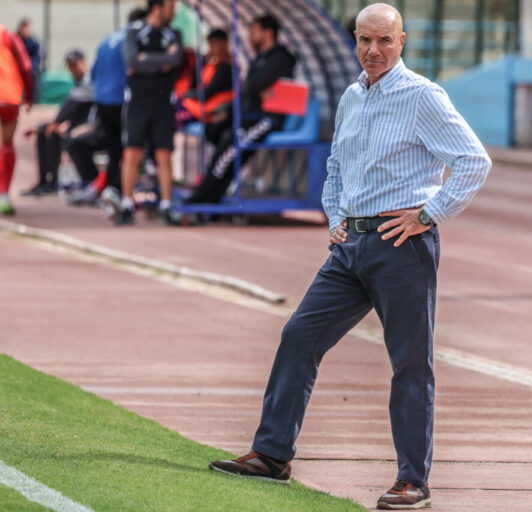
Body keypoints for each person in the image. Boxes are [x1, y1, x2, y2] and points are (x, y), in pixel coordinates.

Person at [208, 4, 491, 511]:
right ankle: (273, 455)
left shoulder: (422, 96)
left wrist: (428, 215)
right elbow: (337, 163)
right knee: (298, 336)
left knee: (409, 362)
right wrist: (334, 216)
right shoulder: (351, 95)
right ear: (355, 40)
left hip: (402, 246)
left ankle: (413, 481)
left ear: (402, 40)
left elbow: (473, 160)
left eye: (384, 40)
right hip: (350, 247)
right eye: (364, 40)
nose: (373, 50)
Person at [172, 15, 294, 217]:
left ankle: (201, 200)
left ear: (267, 33)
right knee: (219, 136)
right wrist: (230, 110)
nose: (249, 36)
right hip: (250, 116)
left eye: (253, 31)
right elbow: (250, 89)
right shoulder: (260, 59)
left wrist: (255, 88)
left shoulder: (280, 58)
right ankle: (210, 202)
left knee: (229, 147)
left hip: (266, 120)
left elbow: (250, 86)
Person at [66, 8, 147, 208]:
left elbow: (93, 75)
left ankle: (112, 191)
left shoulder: (107, 40)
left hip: (103, 101)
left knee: (115, 151)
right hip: (122, 101)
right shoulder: (136, 38)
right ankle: (121, 190)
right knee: (132, 149)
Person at [114, 0, 183, 226]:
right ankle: (126, 203)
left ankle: (165, 205)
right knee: (132, 153)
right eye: (170, 7)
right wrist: (161, 62)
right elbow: (133, 60)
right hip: (137, 102)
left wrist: (148, 62)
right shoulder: (134, 32)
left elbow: (176, 60)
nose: (174, 12)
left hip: (163, 104)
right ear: (157, 8)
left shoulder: (173, 34)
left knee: (164, 154)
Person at [21, 50, 93, 197]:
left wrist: (56, 123)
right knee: (44, 131)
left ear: (83, 63)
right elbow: (69, 109)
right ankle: (44, 182)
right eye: (70, 66)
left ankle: (53, 182)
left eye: (75, 65)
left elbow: (73, 106)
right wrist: (51, 124)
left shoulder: (90, 81)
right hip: (74, 125)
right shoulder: (77, 83)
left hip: (90, 126)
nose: (72, 69)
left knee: (52, 132)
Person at [0, 23, 33, 215]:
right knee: (6, 145)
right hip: (10, 96)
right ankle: (3, 194)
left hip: (9, 95)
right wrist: (28, 94)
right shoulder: (8, 36)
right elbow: (26, 65)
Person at [176, 28, 233, 133]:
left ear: (224, 44)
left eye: (214, 44)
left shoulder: (227, 67)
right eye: (210, 44)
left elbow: (208, 92)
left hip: (211, 109)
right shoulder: (209, 63)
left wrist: (188, 95)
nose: (211, 48)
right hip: (201, 106)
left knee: (171, 116)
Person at [16, 19, 42, 103]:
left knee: (33, 73)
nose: (24, 31)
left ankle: (32, 100)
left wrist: (28, 66)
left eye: (26, 28)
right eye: (23, 28)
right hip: (16, 68)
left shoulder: (34, 43)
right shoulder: (15, 41)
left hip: (29, 68)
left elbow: (37, 58)